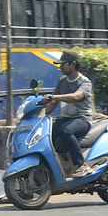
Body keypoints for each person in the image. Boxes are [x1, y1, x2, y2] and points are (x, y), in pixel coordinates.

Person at [41, 50, 94, 178]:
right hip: (66, 118)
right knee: (45, 134)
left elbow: (76, 97)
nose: (61, 67)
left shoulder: (84, 82)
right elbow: (53, 103)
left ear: (73, 64)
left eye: (63, 64)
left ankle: (82, 166)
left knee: (66, 131)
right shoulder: (62, 80)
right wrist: (41, 115)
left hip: (82, 119)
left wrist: (56, 97)